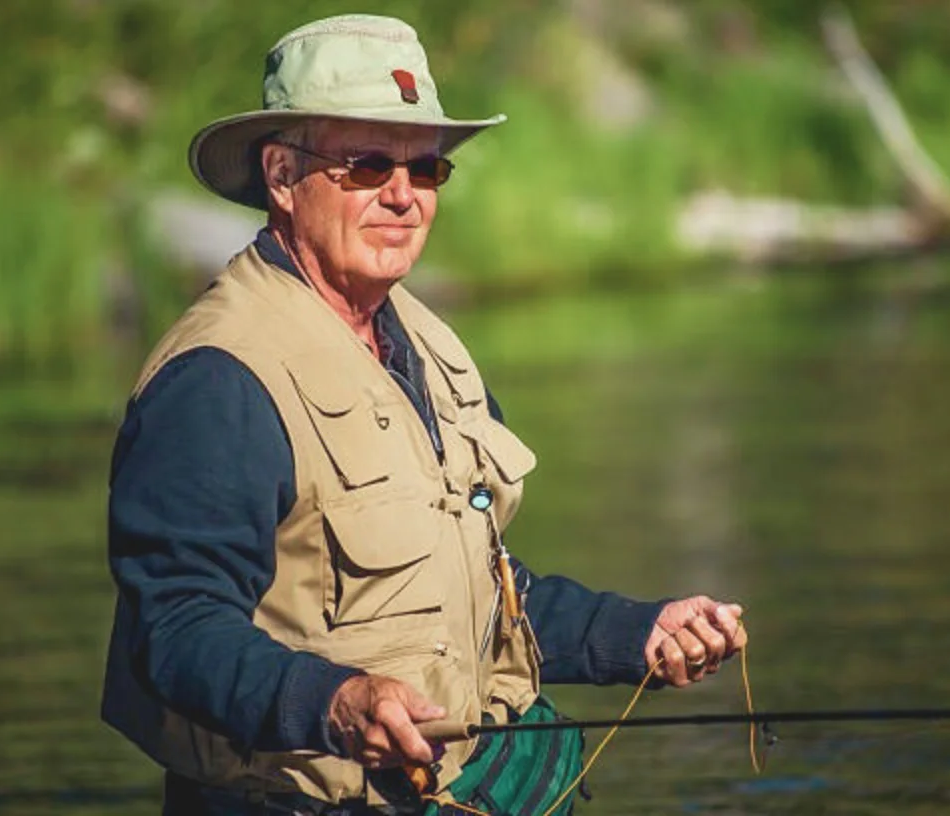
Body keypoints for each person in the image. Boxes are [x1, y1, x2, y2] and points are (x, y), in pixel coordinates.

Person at [101, 14, 747, 816]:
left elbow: (487, 593)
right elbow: (177, 629)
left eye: (426, 168)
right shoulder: (218, 380)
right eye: (367, 165)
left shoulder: (428, 347)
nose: (403, 196)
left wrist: (636, 636)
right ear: (279, 174)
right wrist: (337, 702)